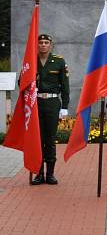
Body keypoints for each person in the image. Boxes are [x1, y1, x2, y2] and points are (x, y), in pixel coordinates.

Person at [32, 34, 69, 185]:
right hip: (36, 103)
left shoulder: (59, 61)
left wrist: (65, 106)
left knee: (50, 140)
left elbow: (65, 85)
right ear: (37, 44)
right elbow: (22, 81)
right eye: (40, 42)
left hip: (52, 102)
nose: (43, 45)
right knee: (38, 140)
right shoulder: (31, 60)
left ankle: (50, 174)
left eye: (46, 42)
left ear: (50, 45)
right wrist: (30, 87)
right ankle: (39, 173)